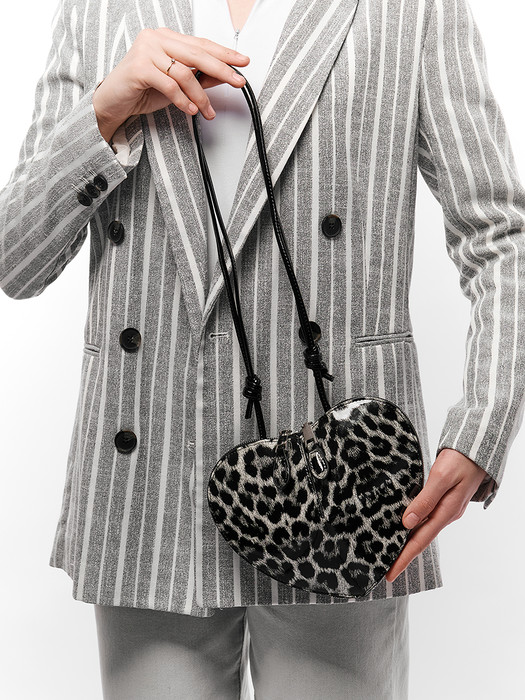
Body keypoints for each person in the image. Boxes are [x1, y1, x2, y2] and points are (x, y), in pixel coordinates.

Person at [1, 0, 524, 698]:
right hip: (148, 482)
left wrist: (485, 421)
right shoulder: (100, 10)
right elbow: (16, 260)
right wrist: (104, 111)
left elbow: (499, 236)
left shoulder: (412, 9)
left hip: (341, 487)